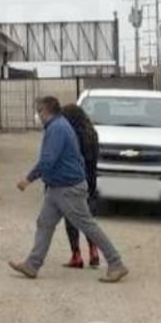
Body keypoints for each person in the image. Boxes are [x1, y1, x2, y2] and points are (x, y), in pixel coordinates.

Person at [9, 96, 128, 283]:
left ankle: (116, 263)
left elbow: (48, 160)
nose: (37, 116)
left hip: (67, 188)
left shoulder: (57, 129)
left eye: (39, 111)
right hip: (58, 187)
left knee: (88, 226)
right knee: (45, 223)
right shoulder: (60, 125)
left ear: (46, 111)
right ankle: (32, 265)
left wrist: (28, 179)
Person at [60, 104, 100, 268]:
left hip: (73, 181)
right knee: (88, 218)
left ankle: (76, 255)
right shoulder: (93, 134)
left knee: (71, 218)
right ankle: (93, 250)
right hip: (90, 181)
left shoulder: (70, 136)